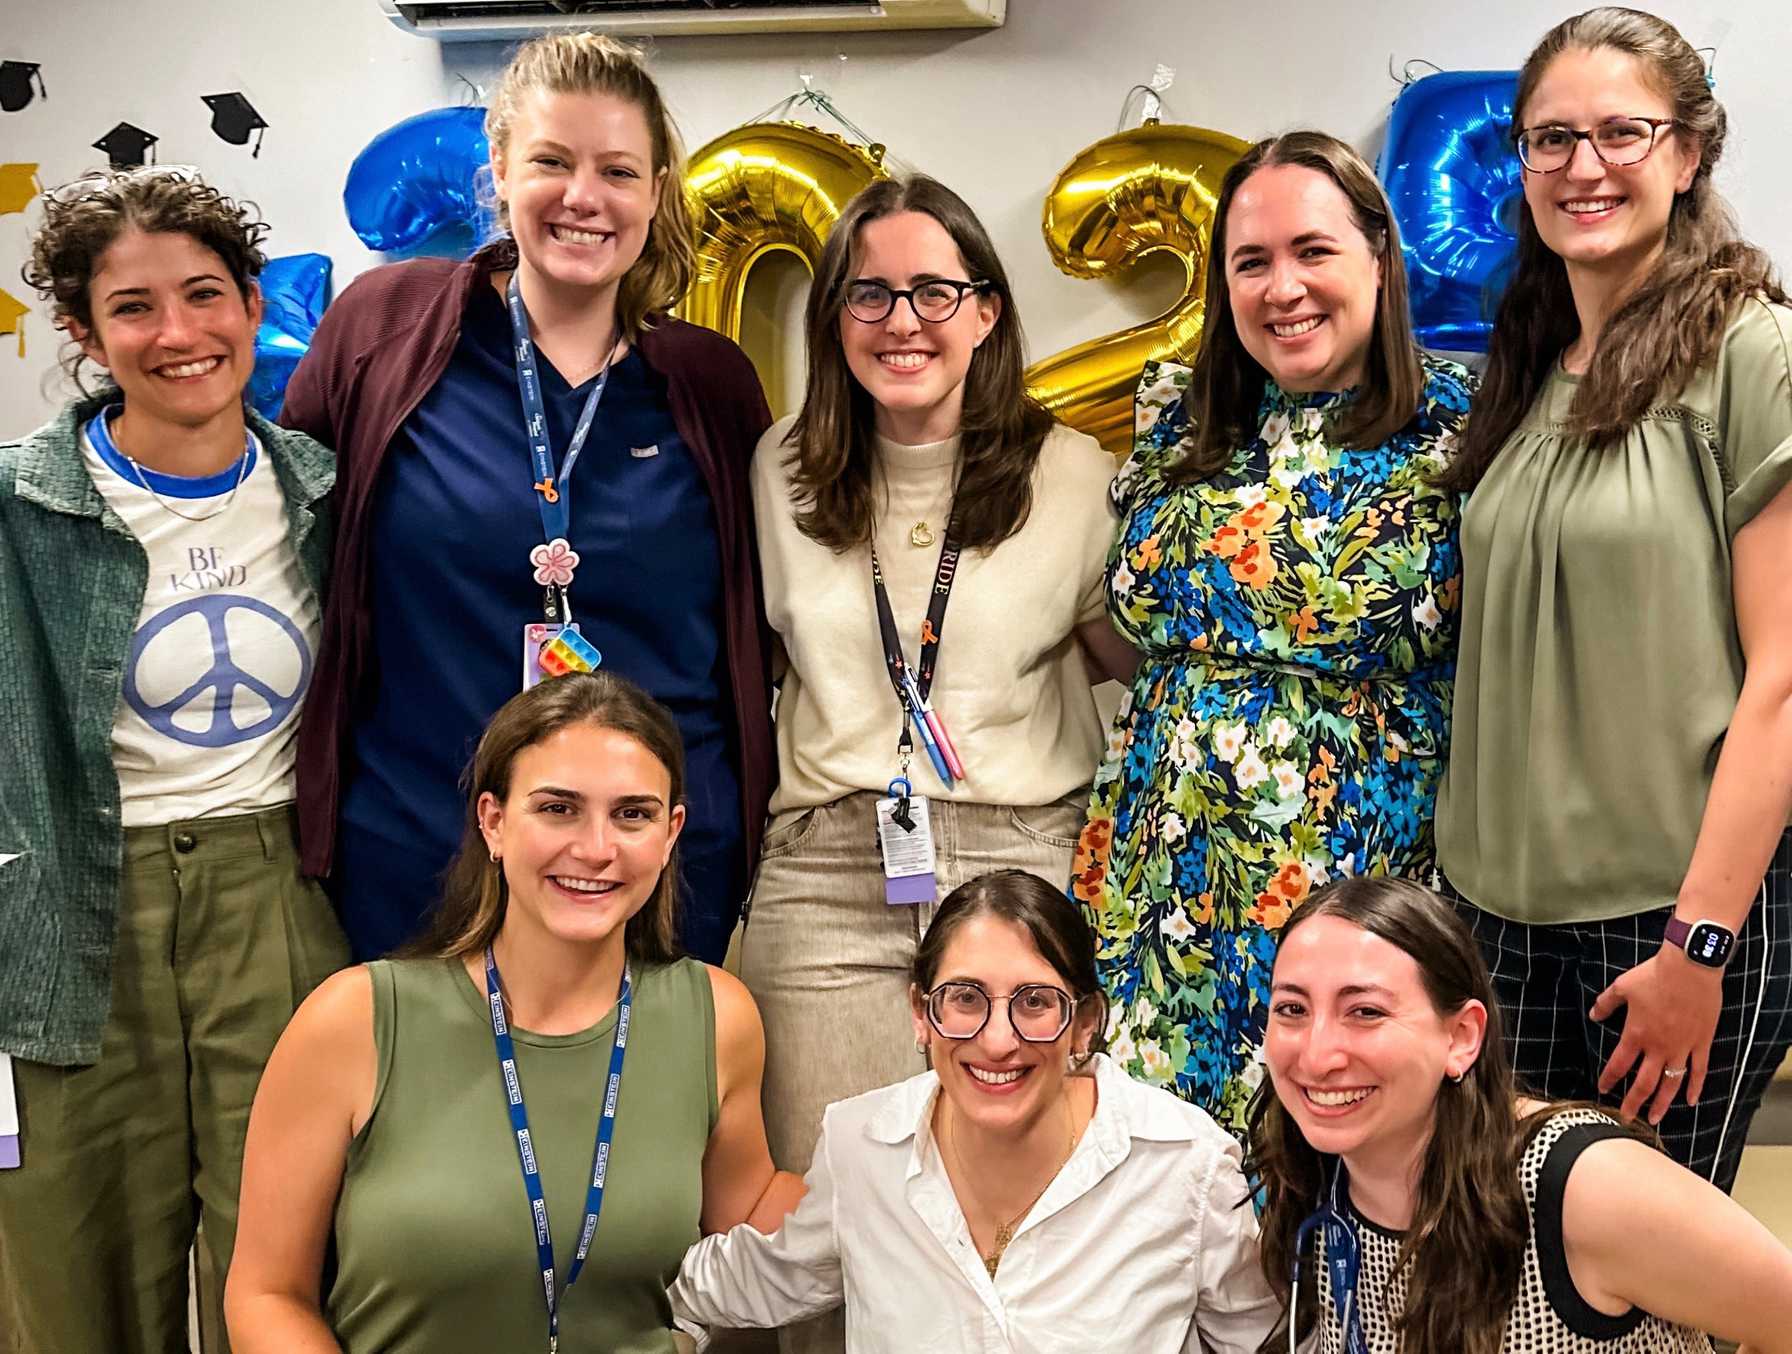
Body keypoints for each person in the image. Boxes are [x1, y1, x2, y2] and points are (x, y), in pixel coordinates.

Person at [282, 31, 774, 966]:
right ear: (499, 169)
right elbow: (281, 523)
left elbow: (769, 619)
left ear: (656, 192)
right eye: (552, 161)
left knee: (637, 1115)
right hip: (420, 853)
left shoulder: (711, 387)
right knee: (428, 1113)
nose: (584, 197)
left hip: (653, 868)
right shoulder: (382, 332)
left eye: (618, 170)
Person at [1435, 6, 1792, 1192]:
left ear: (1688, 155)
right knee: (1504, 1282)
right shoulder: (1532, 362)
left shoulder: (1754, 354)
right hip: (1495, 929)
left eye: (1622, 133)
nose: (1584, 166)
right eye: (1551, 139)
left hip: (1671, 925)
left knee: (1632, 1299)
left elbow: (1784, 682)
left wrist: (1699, 946)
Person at [0, 167, 351, 1353]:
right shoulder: (18, 507)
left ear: (254, 305)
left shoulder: (323, 489)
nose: (179, 334)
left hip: (279, 898)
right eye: (134, 307)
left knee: (293, 1256)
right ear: (83, 332)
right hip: (66, 921)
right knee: (72, 1261)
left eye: (204, 294)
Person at [740, 177, 1129, 1219]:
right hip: (825, 876)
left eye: (932, 291)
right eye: (868, 294)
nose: (901, 321)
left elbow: (1126, 658)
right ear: (833, 317)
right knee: (828, 1215)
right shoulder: (777, 466)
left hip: (1022, 855)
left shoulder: (1074, 472)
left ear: (987, 311)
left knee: (1014, 1215)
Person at [1073, 131, 1475, 1130]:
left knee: (1328, 1196)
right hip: (1156, 886)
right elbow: (1125, 631)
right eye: (1249, 261)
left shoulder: (1463, 427)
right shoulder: (1178, 418)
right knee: (1150, 1205)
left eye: (1312, 250)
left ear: (1379, 254)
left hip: (1344, 894)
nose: (1280, 286)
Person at [224, 670, 801, 1351]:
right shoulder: (355, 1020)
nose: (595, 848)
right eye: (558, 809)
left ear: (672, 832)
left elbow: (755, 1219)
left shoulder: (715, 1017)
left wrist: (915, 1144)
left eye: (632, 814)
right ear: (493, 822)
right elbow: (266, 1294)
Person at [673, 869, 1278, 1353]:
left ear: (1084, 1025)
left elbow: (1267, 1341)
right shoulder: (860, 1147)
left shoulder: (1186, 1165)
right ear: (920, 1012)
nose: (997, 1041)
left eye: (1035, 1002)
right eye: (964, 998)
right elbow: (754, 1278)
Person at [1252, 873, 1792, 1353]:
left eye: (1365, 1012)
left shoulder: (1582, 1184)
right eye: (1292, 1009)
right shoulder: (1314, 1170)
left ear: (1462, 1037)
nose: (1318, 1057)